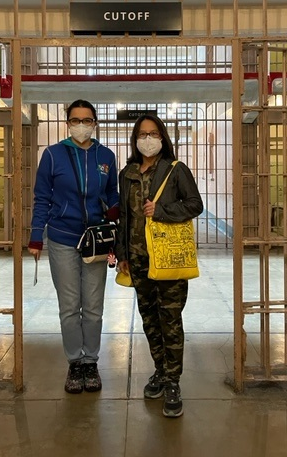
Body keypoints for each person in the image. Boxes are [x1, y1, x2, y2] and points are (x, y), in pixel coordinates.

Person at [28, 100, 119, 394]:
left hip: (95, 241)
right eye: (76, 119)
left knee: (93, 307)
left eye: (87, 119)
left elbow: (111, 194)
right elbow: (42, 196)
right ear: (68, 123)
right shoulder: (53, 155)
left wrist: (117, 219)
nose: (82, 124)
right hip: (62, 238)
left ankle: (91, 361)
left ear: (95, 123)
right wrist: (35, 236)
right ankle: (74, 362)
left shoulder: (105, 156)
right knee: (69, 307)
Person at [115, 114, 203, 418]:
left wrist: (162, 209)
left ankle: (173, 381)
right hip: (138, 261)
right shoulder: (127, 173)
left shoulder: (176, 170)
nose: (148, 139)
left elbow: (195, 205)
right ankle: (160, 371)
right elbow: (125, 217)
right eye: (142, 134)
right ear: (135, 139)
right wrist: (122, 251)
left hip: (168, 258)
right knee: (149, 319)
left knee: (170, 319)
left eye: (153, 134)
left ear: (163, 138)